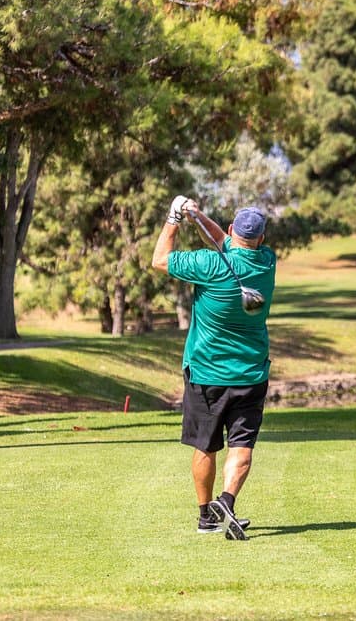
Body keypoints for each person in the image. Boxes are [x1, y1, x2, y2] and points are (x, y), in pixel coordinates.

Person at [152, 196, 276, 540]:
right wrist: (196, 215)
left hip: (206, 375)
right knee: (242, 446)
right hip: (251, 375)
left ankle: (207, 515)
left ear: (234, 230)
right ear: (262, 240)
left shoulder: (208, 264)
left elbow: (160, 260)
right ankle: (228, 499)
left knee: (205, 446)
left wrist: (174, 218)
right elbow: (227, 242)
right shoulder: (267, 262)